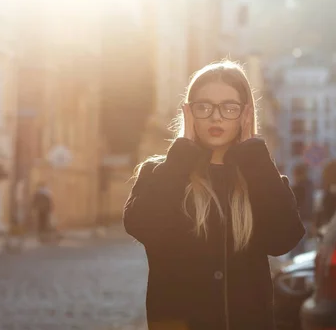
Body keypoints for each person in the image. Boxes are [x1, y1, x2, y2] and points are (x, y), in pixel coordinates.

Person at [123, 61, 305, 330]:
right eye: (204, 106)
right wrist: (182, 154)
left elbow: (283, 239)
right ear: (189, 112)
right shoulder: (160, 173)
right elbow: (143, 225)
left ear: (245, 114)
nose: (216, 117)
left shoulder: (262, 179)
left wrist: (254, 154)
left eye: (229, 108)